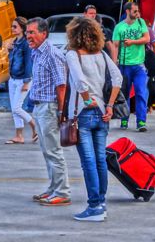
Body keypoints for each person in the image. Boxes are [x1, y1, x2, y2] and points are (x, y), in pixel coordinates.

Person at [64, 17, 122, 222]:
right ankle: (101, 202)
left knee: (88, 161)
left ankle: (94, 206)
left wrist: (88, 100)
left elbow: (79, 81)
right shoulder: (102, 55)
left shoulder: (72, 55)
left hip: (84, 112)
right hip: (103, 114)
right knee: (99, 160)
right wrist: (109, 105)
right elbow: (118, 78)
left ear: (74, 34)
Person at [26, 17, 71, 206]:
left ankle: (62, 191)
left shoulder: (52, 54)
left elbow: (62, 85)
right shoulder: (37, 52)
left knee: (53, 150)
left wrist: (61, 112)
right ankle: (53, 188)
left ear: (44, 34)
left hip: (49, 106)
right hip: (40, 106)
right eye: (27, 32)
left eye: (32, 32)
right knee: (46, 150)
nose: (28, 36)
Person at [112, 2, 150, 131]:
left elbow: (147, 39)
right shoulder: (119, 27)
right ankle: (124, 119)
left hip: (139, 65)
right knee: (125, 93)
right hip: (124, 65)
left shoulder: (141, 23)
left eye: (137, 10)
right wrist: (114, 63)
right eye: (134, 11)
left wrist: (133, 42)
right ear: (127, 11)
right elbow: (115, 45)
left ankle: (141, 122)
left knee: (141, 92)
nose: (137, 13)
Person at [5, 17, 37, 145]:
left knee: (17, 108)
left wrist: (26, 82)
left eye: (15, 27)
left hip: (23, 80)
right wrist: (9, 51)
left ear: (22, 29)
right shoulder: (15, 43)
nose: (12, 29)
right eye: (12, 26)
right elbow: (13, 61)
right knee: (14, 109)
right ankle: (19, 136)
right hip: (13, 79)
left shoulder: (26, 44)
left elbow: (29, 63)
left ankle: (34, 126)